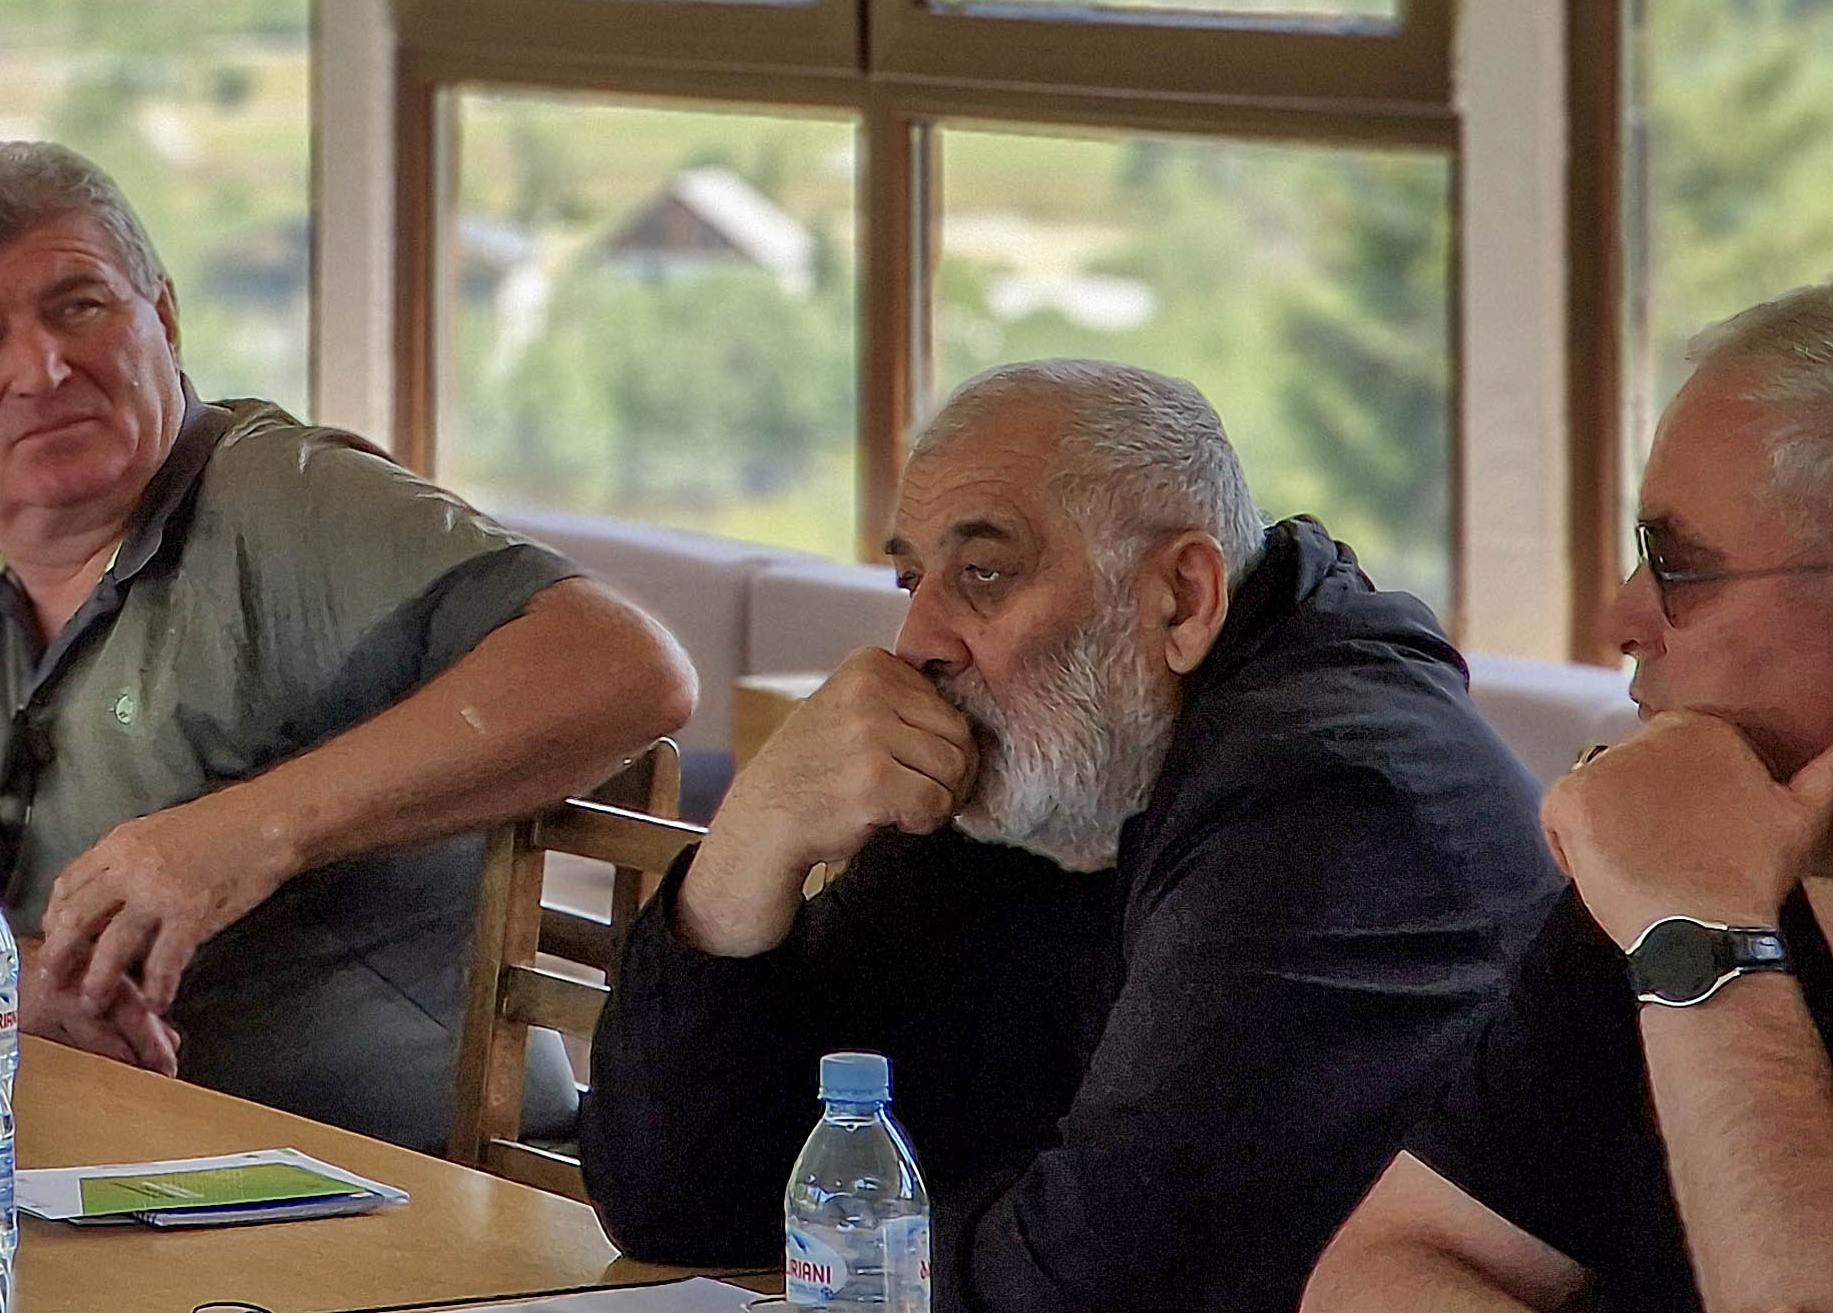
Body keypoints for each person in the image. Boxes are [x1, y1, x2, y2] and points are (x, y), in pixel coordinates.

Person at [0, 141, 694, 1151]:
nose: (42, 369)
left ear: (161, 317)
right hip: (94, 1164)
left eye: (80, 306)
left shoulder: (292, 503)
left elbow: (627, 667)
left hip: (385, 1183)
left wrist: (251, 831)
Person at [579, 359, 1558, 1310]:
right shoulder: (1061, 747)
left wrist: (854, 1233)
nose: (918, 642)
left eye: (984, 573)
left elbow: (1098, 1275)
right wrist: (751, 841)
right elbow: (680, 1202)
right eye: (912, 580)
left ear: (1182, 598)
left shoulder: (1337, 797)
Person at [1306, 287, 1833, 1313]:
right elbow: (1378, 1271)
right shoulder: (1666, 859)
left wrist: (1702, 939)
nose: (1620, 617)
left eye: (1678, 568)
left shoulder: (1680, 890)